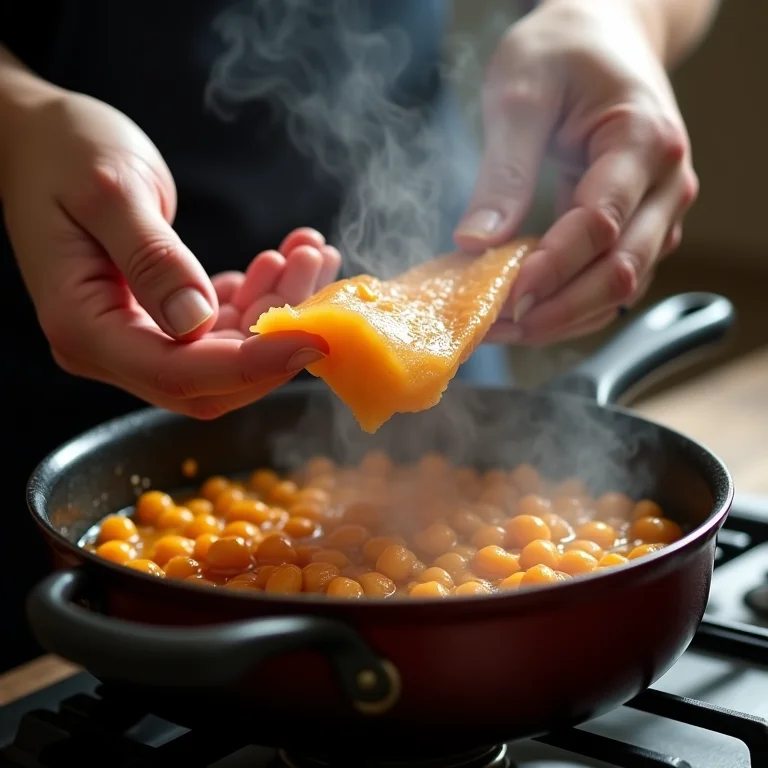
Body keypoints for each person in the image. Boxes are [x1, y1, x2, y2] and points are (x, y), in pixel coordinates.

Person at [0, 0, 717, 671]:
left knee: (455, 459)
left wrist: (618, 19)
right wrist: (17, 117)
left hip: (442, 309)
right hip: (43, 328)